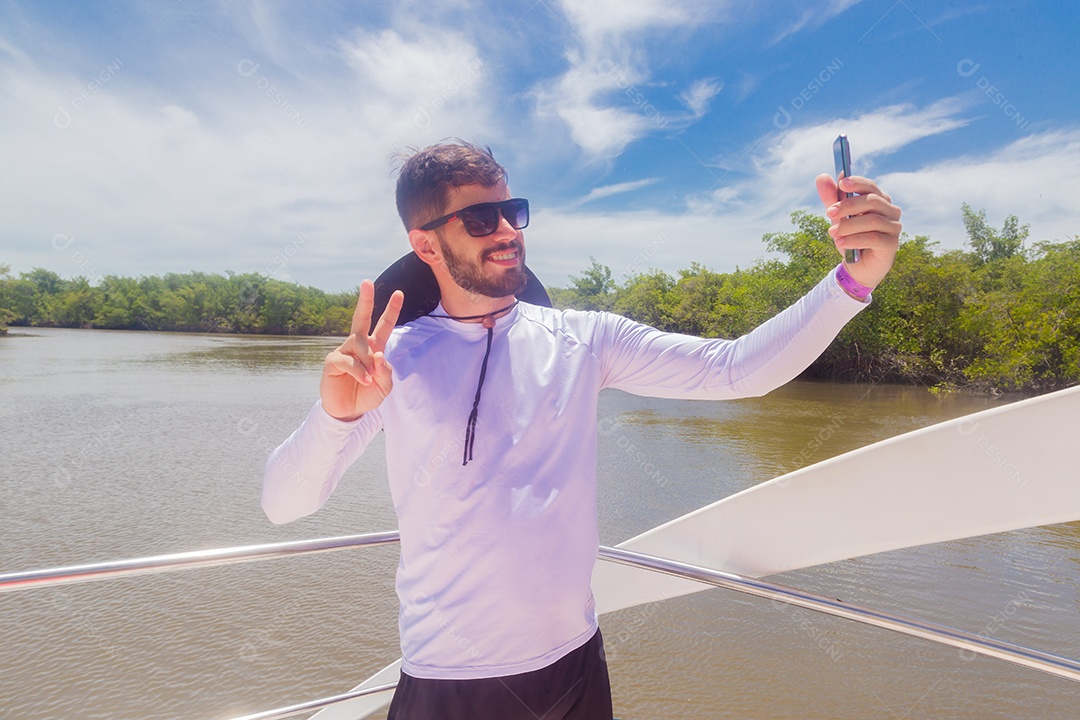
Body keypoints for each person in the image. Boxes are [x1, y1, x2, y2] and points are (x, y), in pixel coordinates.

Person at [261, 140, 902, 719]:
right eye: (481, 219)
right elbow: (284, 506)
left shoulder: (585, 339)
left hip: (576, 668)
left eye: (514, 211)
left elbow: (738, 370)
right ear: (425, 244)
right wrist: (335, 415)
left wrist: (853, 281)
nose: (509, 231)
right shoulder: (390, 362)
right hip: (448, 683)